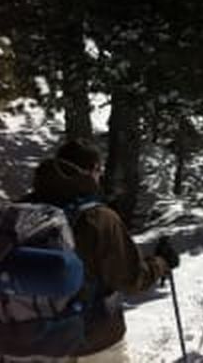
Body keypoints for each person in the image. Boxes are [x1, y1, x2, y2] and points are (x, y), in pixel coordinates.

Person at [21, 139, 179, 362]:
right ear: (91, 171)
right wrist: (161, 263)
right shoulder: (99, 218)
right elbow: (131, 279)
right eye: (98, 170)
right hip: (93, 343)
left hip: (28, 344)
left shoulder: (18, 213)